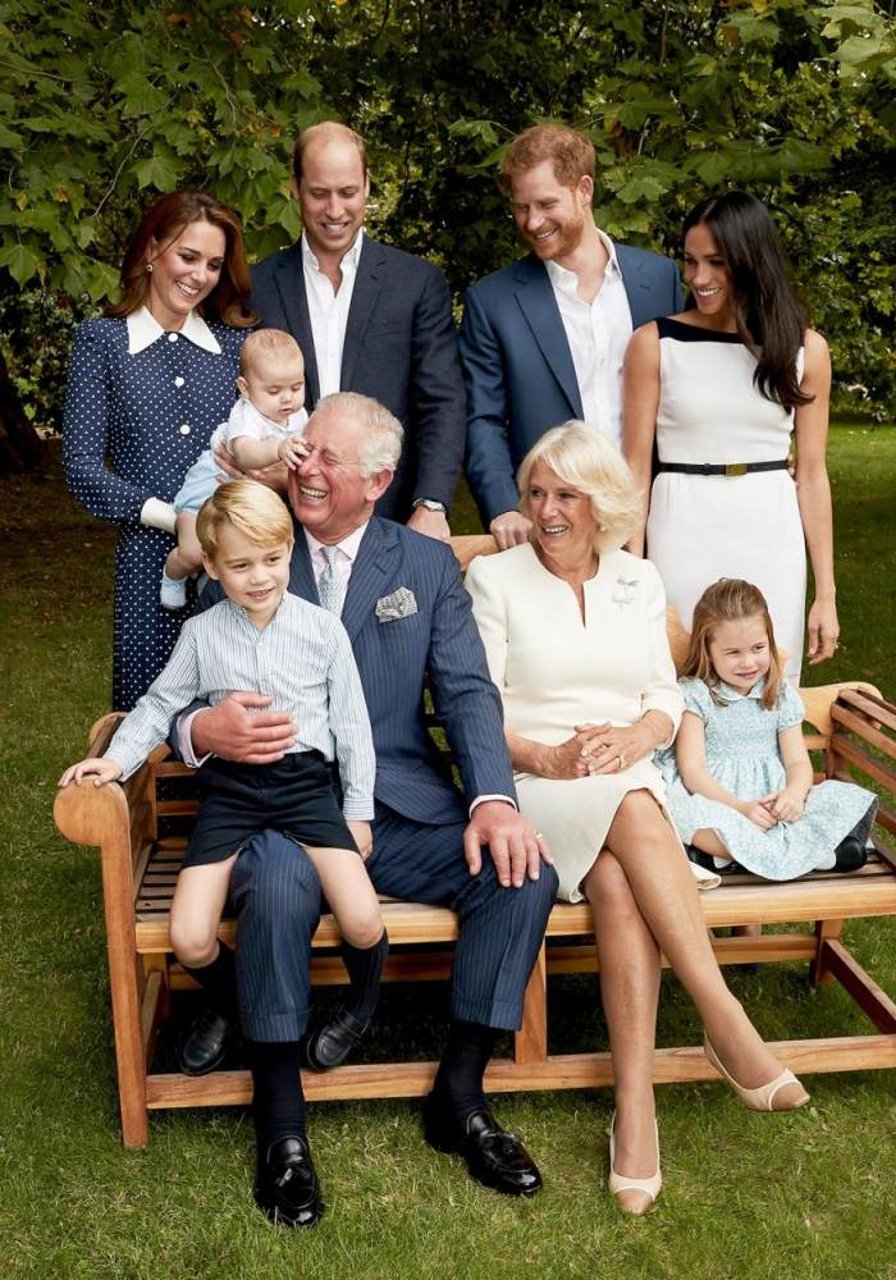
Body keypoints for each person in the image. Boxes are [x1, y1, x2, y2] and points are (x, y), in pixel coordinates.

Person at [174, 392, 558, 1227]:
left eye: (326, 459)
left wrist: (493, 798)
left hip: (399, 811)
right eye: (302, 449)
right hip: (284, 808)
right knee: (275, 885)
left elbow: (464, 689)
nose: (303, 467)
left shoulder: (422, 567)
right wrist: (201, 728)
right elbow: (180, 684)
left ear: (379, 480)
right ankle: (282, 1128)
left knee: (522, 874)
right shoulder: (256, 541)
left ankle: (459, 1097)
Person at [464, 423, 810, 1217]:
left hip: (626, 774)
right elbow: (476, 706)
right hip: (535, 778)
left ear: (604, 505)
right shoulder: (496, 579)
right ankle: (726, 1024)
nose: (547, 511)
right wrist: (550, 758)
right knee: (632, 806)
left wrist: (639, 737)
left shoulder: (639, 581)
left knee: (621, 878)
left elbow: (663, 695)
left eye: (566, 495)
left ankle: (637, 1113)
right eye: (536, 493)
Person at [58, 484, 386, 1203]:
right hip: (232, 792)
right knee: (190, 935)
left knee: (363, 918)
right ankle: (239, 1000)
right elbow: (159, 705)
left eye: (271, 559)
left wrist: (356, 812)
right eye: (240, 565)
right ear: (211, 565)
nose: (259, 577)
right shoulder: (203, 635)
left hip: (305, 787)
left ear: (290, 552)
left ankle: (360, 1006)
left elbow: (354, 727)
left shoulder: (321, 629)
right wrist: (114, 760)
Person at [623, 190, 837, 684]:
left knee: (768, 682)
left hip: (770, 528)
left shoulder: (805, 351)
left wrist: (825, 593)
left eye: (716, 262)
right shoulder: (655, 344)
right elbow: (634, 468)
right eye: (691, 261)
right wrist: (630, 574)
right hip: (681, 522)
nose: (699, 278)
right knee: (681, 672)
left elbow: (812, 475)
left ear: (750, 260)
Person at [63, 189, 255, 710]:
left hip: (236, 557)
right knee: (148, 716)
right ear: (152, 251)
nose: (200, 275)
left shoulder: (238, 349)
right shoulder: (102, 342)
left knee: (235, 710)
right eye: (187, 257)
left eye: (213, 264)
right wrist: (173, 520)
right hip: (149, 561)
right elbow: (81, 469)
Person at [460, 123, 682, 549]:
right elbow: (481, 420)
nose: (533, 221)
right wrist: (504, 506)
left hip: (650, 519)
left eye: (546, 203)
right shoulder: (493, 301)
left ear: (584, 189)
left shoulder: (658, 280)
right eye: (522, 207)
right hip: (547, 526)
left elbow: (682, 393)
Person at [249, 121, 464, 538]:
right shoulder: (255, 288)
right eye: (319, 193)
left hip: (391, 516)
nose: (334, 210)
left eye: (347, 192)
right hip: (279, 521)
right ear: (294, 187)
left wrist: (432, 502)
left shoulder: (416, 283)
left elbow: (442, 402)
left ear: (367, 185)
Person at [657, 578, 876, 880]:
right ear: (708, 650)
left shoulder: (779, 694)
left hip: (774, 800)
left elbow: (797, 761)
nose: (748, 662)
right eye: (733, 653)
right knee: (682, 813)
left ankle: (726, 859)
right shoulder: (696, 695)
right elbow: (693, 772)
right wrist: (739, 808)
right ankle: (819, 857)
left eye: (758, 648)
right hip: (718, 801)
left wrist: (794, 794)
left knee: (834, 799)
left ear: (769, 641)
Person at [161, 330, 309, 609]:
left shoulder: (297, 415)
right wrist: (278, 448)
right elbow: (244, 454)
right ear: (244, 388)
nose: (287, 399)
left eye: (296, 387)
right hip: (206, 492)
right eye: (274, 391)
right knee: (194, 553)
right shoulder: (246, 413)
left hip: (244, 501)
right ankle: (173, 573)